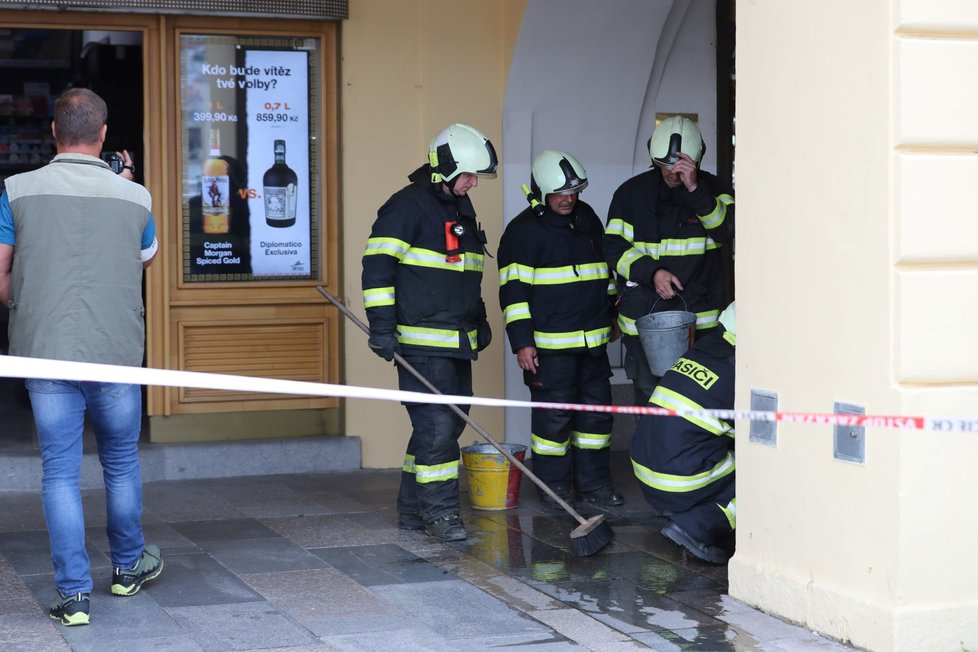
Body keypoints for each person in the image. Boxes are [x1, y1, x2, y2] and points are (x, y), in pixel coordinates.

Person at [0, 88, 162, 626]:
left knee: (59, 475)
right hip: (114, 351)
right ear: (104, 135)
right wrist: (126, 184)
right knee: (120, 462)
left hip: (44, 352)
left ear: (53, 131)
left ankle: (72, 596)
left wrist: (28, 302)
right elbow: (142, 260)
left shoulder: (16, 190)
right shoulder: (136, 197)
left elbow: (1, 274)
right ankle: (127, 567)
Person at [361, 123, 497, 542]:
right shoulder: (407, 207)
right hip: (421, 343)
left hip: (458, 342)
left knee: (440, 429)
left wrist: (480, 319)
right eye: (469, 174)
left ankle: (411, 510)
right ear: (445, 167)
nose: (474, 183)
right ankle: (441, 516)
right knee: (438, 429)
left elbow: (466, 275)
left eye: (477, 176)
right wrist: (382, 327)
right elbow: (377, 268)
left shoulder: (460, 207)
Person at [497, 150, 623, 508]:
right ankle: (555, 490)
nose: (568, 199)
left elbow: (604, 275)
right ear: (540, 192)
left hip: (593, 345)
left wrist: (612, 315)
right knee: (553, 424)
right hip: (549, 351)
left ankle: (594, 486)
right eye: (559, 193)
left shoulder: (587, 219)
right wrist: (522, 343)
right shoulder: (522, 232)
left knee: (596, 421)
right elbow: (513, 293)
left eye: (574, 191)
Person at [604, 115, 735, 405]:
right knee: (651, 404)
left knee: (700, 403)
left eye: (679, 168)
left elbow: (726, 230)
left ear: (697, 160)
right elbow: (613, 248)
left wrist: (695, 190)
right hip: (645, 322)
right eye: (665, 166)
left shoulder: (717, 191)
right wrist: (653, 273)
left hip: (701, 325)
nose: (671, 174)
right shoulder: (630, 194)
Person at [630, 302, 736, 564]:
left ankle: (682, 508)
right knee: (763, 472)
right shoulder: (741, 370)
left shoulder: (697, 353)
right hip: (678, 481)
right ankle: (695, 526)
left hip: (646, 476)